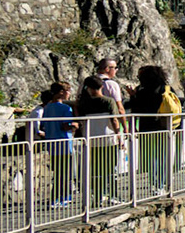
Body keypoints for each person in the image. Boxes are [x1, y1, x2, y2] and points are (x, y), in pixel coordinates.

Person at [27, 82, 78, 206]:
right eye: (68, 91)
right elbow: (66, 126)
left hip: (52, 145)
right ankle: (63, 197)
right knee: (66, 173)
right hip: (65, 144)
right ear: (61, 92)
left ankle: (56, 197)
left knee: (57, 172)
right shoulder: (66, 108)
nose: (69, 94)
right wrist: (75, 125)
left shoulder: (47, 108)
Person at [74, 76, 123, 205]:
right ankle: (112, 195)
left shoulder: (83, 103)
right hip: (108, 138)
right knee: (111, 169)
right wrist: (119, 135)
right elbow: (114, 120)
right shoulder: (108, 101)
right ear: (102, 86)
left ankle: (97, 197)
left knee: (96, 171)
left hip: (91, 140)